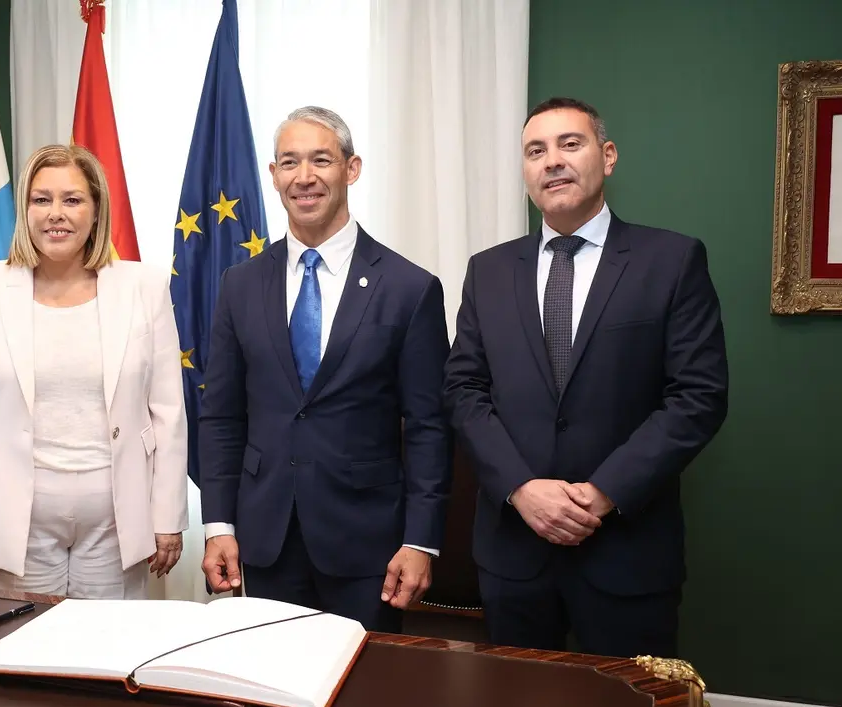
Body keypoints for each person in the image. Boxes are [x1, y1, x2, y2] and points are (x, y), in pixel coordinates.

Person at [443, 97, 728, 657]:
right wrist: (521, 490)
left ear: (608, 155)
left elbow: (698, 396)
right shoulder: (489, 270)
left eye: (569, 144)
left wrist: (602, 493)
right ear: (526, 172)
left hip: (627, 551)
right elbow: (463, 390)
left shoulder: (671, 261)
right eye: (536, 151)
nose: (552, 161)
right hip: (513, 555)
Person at [198, 106, 452, 632]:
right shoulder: (239, 285)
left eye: (321, 160)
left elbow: (430, 427)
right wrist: (218, 525)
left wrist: (420, 539)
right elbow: (221, 418)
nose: (304, 177)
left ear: (351, 169)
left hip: (369, 548)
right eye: (289, 162)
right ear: (273, 176)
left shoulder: (409, 289)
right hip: (264, 539)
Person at [0, 144, 189, 599]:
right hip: (16, 520)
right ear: (25, 209)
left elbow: (168, 411)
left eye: (72, 200)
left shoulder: (144, 287)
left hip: (117, 519)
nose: (56, 214)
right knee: (23, 655)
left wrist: (167, 517)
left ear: (96, 210)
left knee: (107, 655)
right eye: (41, 199)